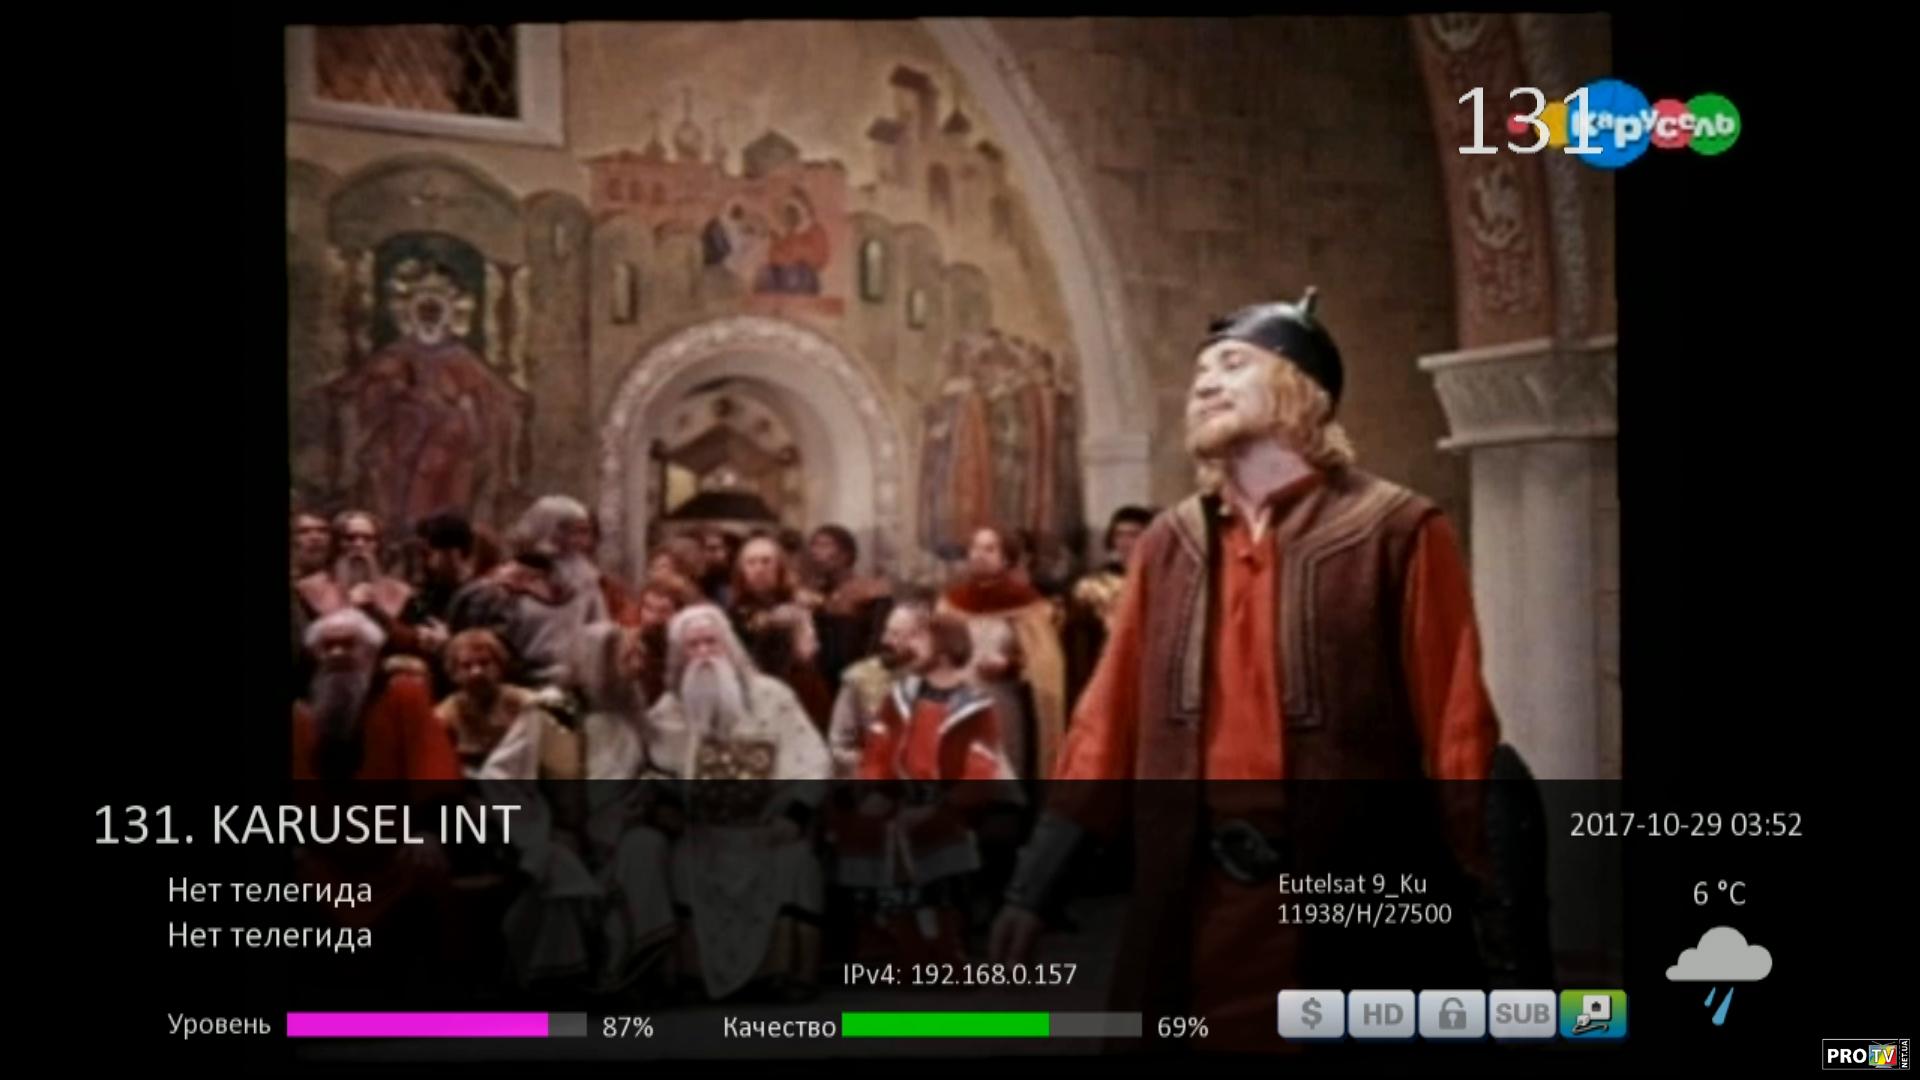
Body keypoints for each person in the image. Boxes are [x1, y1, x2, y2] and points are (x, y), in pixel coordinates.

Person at [987, 288, 1501, 1050]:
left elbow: (1458, 729)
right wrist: (1035, 887)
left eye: (1232, 364)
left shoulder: (1396, 531)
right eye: (1199, 373)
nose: (1204, 383)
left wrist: (1490, 901)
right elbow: (1104, 728)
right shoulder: (1169, 544)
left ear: (1301, 388)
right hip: (1192, 909)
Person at [643, 605, 831, 1001]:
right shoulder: (667, 711)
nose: (704, 653)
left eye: (711, 642)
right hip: (704, 834)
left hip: (767, 832)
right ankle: (693, 977)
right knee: (679, 860)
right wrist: (667, 808)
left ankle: (783, 974)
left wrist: (794, 815)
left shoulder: (773, 696)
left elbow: (813, 760)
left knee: (796, 861)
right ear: (679, 655)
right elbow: (651, 771)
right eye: (693, 645)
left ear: (728, 645)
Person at [837, 612, 1015, 964]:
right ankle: (901, 944)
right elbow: (879, 749)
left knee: (937, 841)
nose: (909, 646)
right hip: (897, 798)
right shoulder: (899, 698)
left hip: (947, 802)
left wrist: (941, 805)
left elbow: (981, 767)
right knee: (869, 832)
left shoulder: (974, 705)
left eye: (920, 638)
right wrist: (875, 789)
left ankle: (946, 946)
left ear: (944, 648)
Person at [940, 527, 1067, 780]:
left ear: (1006, 558)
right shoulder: (952, 601)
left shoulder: (1025, 603)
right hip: (957, 698)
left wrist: (1010, 664)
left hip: (1001, 698)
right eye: (975, 548)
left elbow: (1044, 660)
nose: (979, 555)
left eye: (989, 549)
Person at [293, 608, 462, 782]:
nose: (337, 653)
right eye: (327, 646)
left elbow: (433, 766)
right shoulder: (300, 714)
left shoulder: (404, 696)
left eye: (349, 644)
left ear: (371, 651)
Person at [729, 534, 833, 732]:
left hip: (802, 693)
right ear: (741, 570)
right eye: (751, 562)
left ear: (780, 567)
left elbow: (813, 654)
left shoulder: (807, 604)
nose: (759, 569)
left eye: (766, 561)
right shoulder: (733, 614)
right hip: (755, 695)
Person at [1063, 505, 1156, 715]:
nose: (1125, 542)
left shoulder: (1164, 582)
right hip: (1107, 670)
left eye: (1133, 534)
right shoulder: (1092, 586)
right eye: (1119, 534)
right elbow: (1079, 644)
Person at [826, 597, 928, 778]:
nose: (884, 640)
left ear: (919, 638)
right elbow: (838, 746)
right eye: (886, 631)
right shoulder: (858, 678)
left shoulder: (939, 681)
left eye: (895, 634)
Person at [800, 525, 893, 699]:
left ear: (846, 554)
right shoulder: (812, 594)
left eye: (824, 545)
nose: (815, 552)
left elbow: (878, 643)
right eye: (814, 545)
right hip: (820, 683)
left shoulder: (870, 591)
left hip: (857, 679)